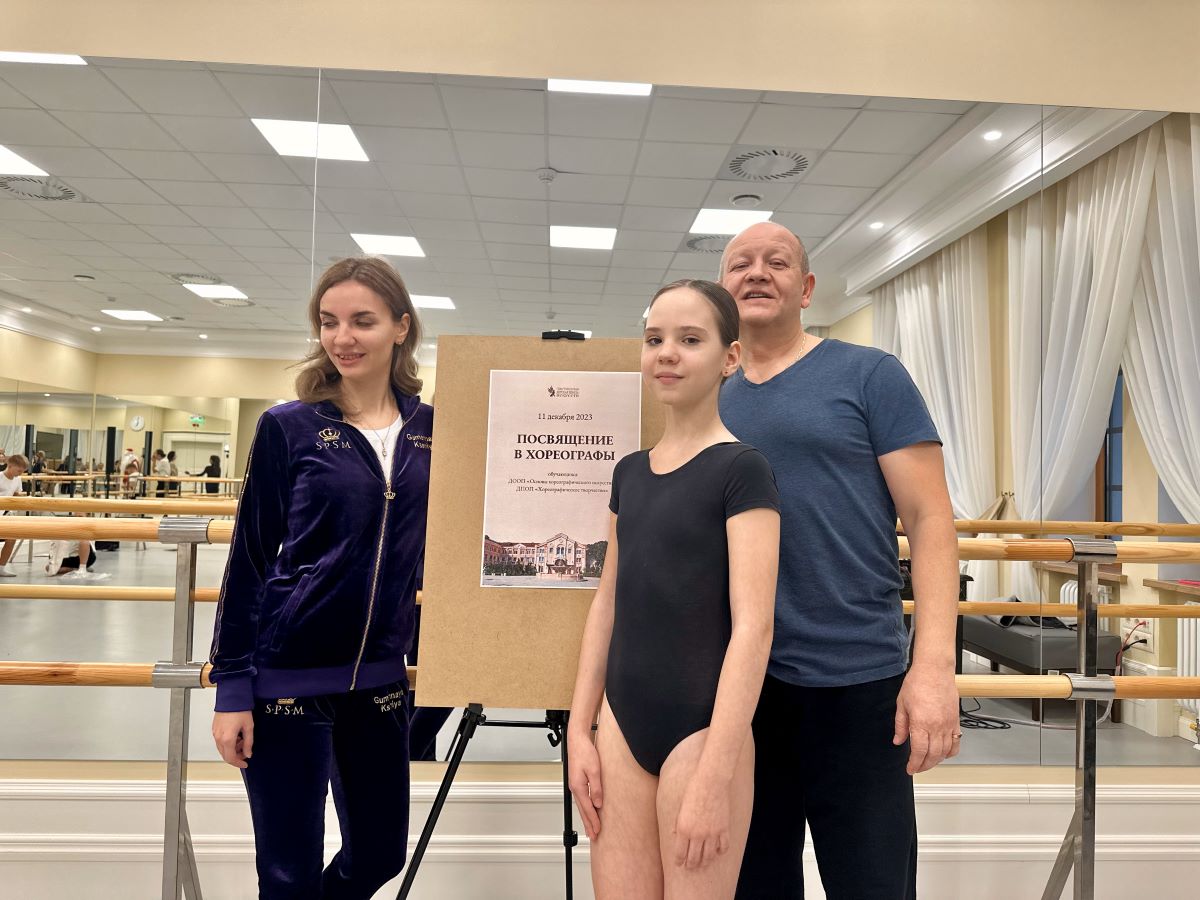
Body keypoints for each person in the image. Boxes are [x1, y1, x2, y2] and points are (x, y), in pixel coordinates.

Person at [714, 223, 960, 900]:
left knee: (872, 885)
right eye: (740, 263)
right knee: (754, 887)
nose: (757, 273)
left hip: (857, 681)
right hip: (740, 685)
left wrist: (933, 666)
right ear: (723, 289)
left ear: (806, 288)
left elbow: (932, 521)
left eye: (777, 262)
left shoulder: (870, 375)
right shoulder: (705, 390)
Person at [208, 256, 432, 899]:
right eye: (329, 322)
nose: (343, 337)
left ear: (401, 327)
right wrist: (232, 687)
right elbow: (250, 559)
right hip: (287, 677)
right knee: (288, 872)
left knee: (381, 854)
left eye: (363, 321)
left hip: (381, 679)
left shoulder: (431, 430)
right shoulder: (289, 426)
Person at [568, 279, 781, 900]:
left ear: (729, 358)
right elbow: (607, 603)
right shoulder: (629, 473)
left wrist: (716, 774)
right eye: (654, 338)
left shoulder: (743, 469)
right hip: (620, 727)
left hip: (702, 733)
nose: (666, 353)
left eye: (689, 340)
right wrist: (580, 730)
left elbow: (754, 628)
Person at [0, 453, 29, 577]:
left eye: (22, 471)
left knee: (12, 538)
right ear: (10, 465)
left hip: (6, 515)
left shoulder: (17, 479)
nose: (20, 473)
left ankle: (1, 567)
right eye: (18, 470)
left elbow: (16, 495)